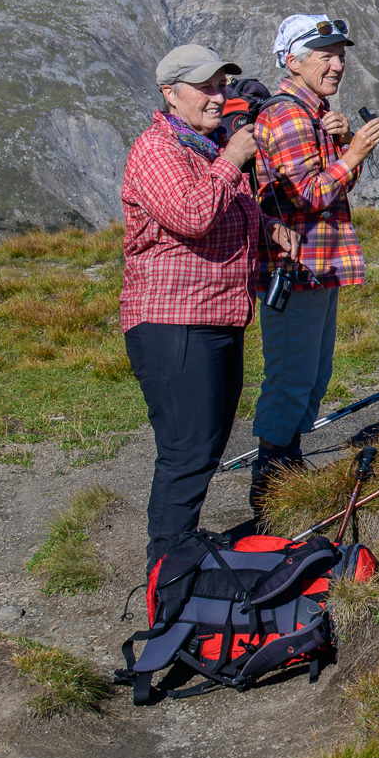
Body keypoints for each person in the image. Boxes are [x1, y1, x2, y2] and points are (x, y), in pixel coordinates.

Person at [120, 42, 302, 567]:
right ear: (170, 93)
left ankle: (182, 547)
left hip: (218, 316)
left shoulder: (203, 146)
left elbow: (227, 209)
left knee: (208, 441)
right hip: (173, 324)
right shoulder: (158, 149)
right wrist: (232, 160)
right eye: (205, 87)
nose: (218, 97)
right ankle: (169, 566)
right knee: (187, 449)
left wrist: (268, 228)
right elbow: (191, 215)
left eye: (221, 85)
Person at [248, 14, 379, 512]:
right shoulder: (288, 117)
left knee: (311, 374)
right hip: (297, 269)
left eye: (340, 55)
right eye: (325, 56)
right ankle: (271, 482)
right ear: (293, 61)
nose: (338, 65)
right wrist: (353, 153)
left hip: (318, 265)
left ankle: (286, 466)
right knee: (292, 375)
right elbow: (307, 195)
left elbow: (330, 187)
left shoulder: (315, 114)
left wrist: (345, 147)